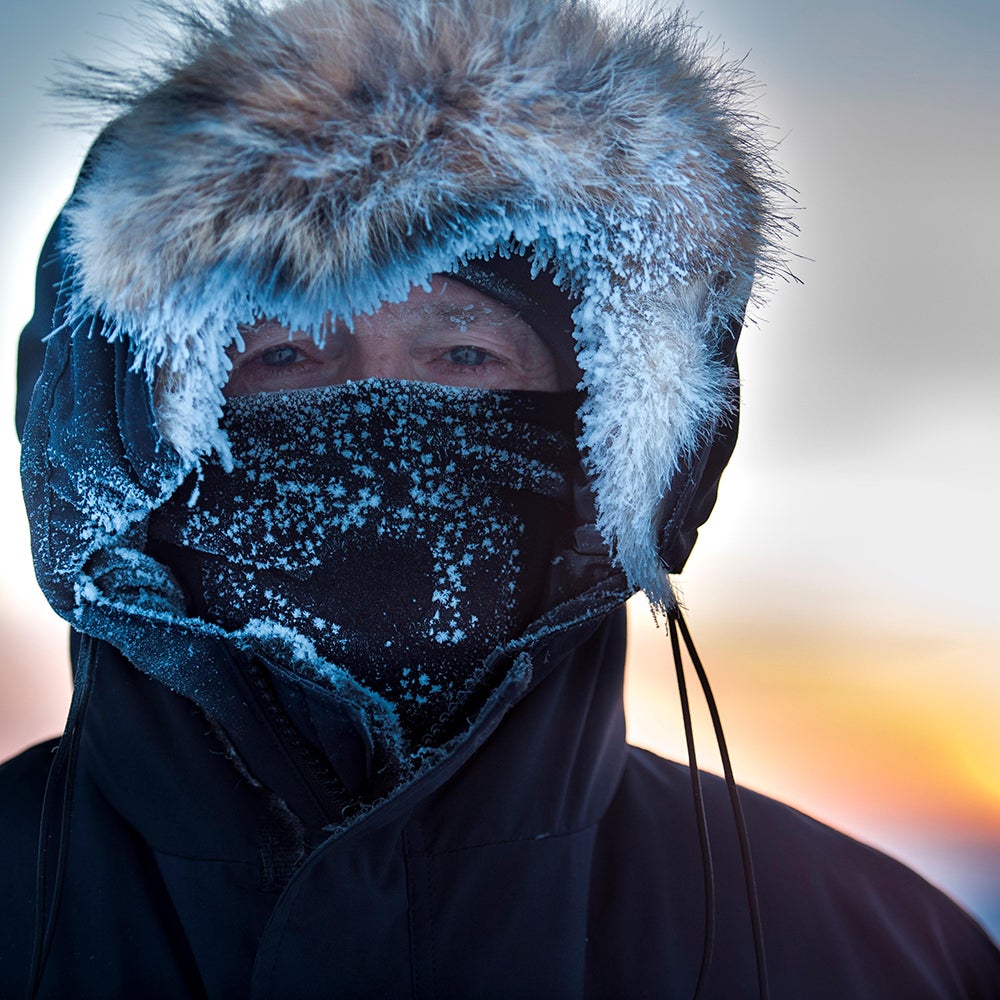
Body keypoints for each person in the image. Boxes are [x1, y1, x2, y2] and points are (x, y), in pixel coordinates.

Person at [2, 0, 998, 996]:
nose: (378, 410)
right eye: (286, 354)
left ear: (606, 430)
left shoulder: (869, 959)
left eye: (464, 353)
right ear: (140, 423)